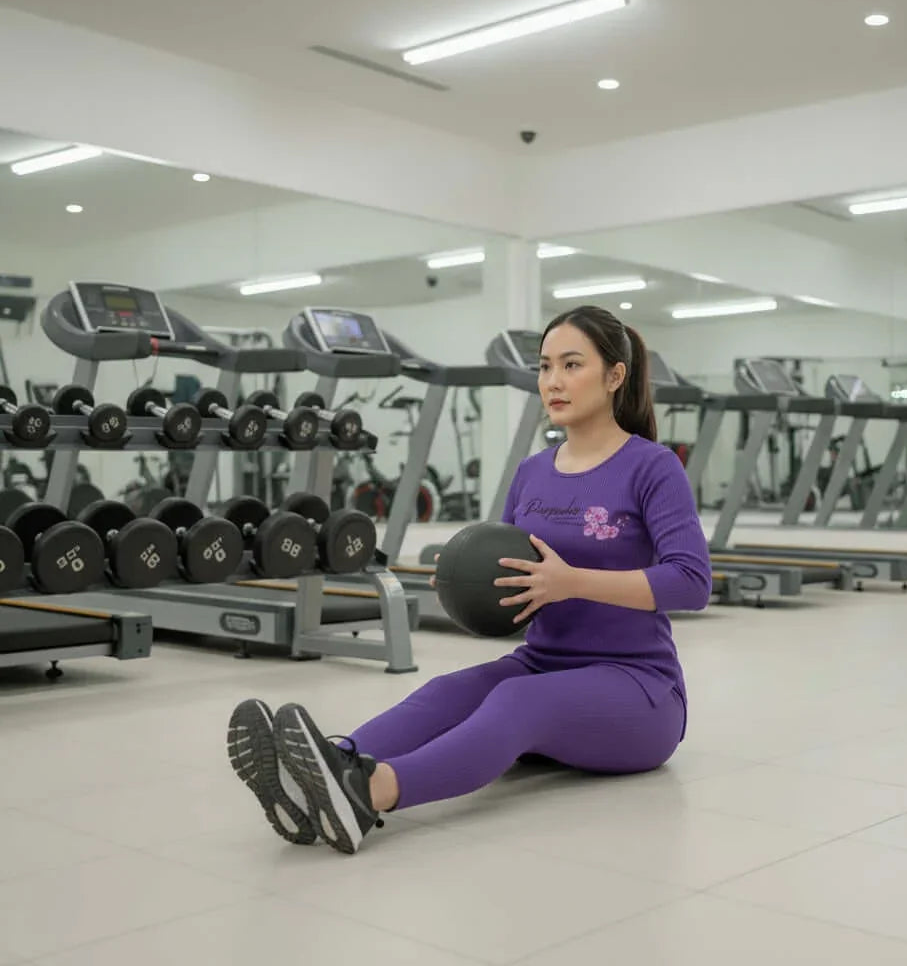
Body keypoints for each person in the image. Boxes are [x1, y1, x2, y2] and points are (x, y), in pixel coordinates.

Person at [227, 304, 713, 854]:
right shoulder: (532, 471)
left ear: (615, 375)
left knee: (519, 703)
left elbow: (691, 582)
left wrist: (571, 581)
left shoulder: (652, 466)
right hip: (543, 661)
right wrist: (468, 587)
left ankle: (367, 794)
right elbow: (509, 577)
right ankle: (324, 769)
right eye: (545, 366)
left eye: (571, 365)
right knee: (449, 690)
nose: (553, 381)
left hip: (639, 688)